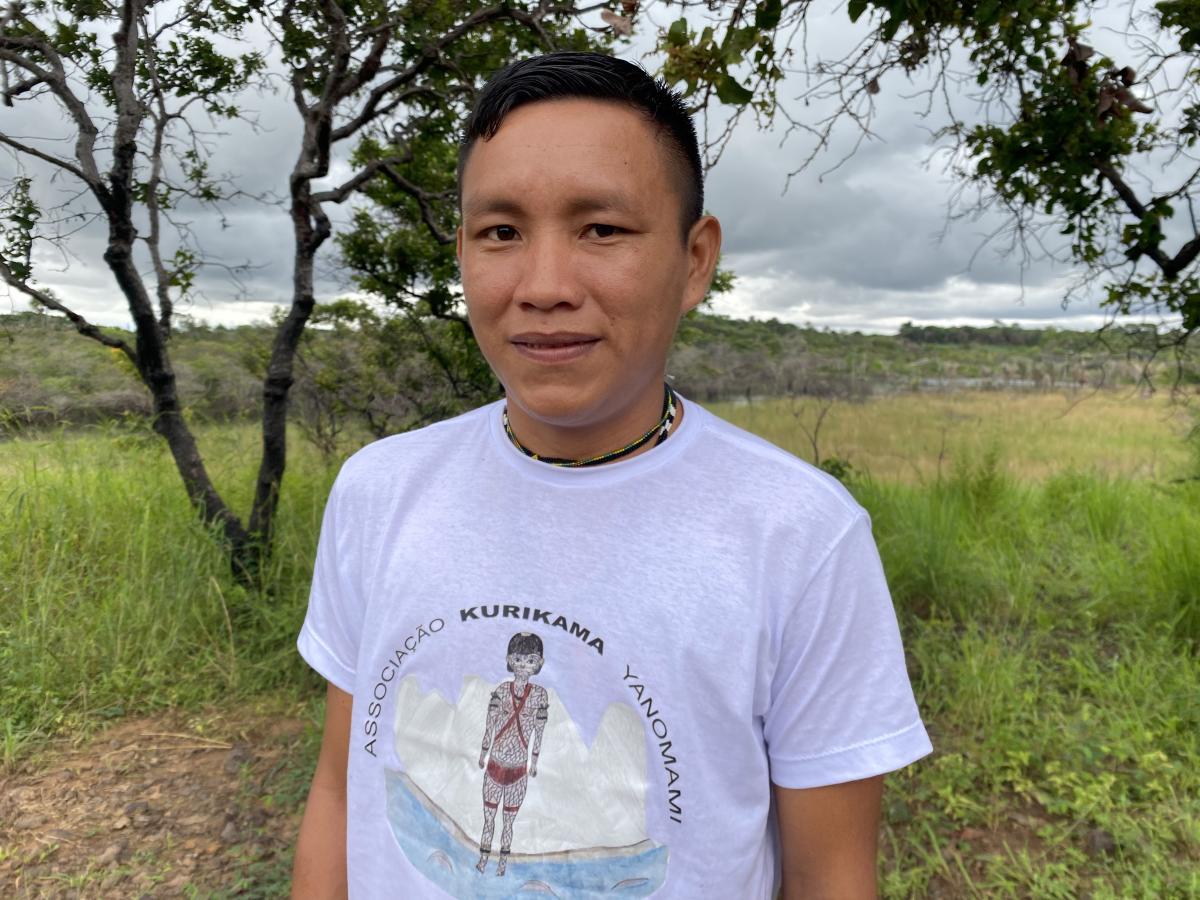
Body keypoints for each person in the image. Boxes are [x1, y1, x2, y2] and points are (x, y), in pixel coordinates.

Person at [292, 51, 931, 900]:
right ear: (463, 253)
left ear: (694, 260)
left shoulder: (799, 535)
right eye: (501, 232)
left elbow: (831, 876)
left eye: (602, 229)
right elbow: (340, 791)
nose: (544, 286)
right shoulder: (378, 491)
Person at [474, 632, 550, 876]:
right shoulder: (501, 691)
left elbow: (539, 732)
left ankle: (502, 863)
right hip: (495, 763)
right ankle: (483, 859)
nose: (523, 665)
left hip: (518, 769)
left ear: (539, 663)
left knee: (508, 822)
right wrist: (483, 753)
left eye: (529, 660)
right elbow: (490, 725)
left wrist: (534, 762)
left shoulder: (539, 696)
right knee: (489, 819)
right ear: (509, 659)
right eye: (518, 659)